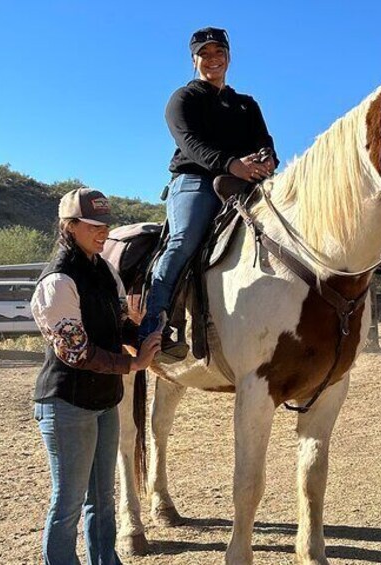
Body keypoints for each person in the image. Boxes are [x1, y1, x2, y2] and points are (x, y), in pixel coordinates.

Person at [31, 188, 162, 564]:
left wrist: (145, 339)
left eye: (105, 224)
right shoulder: (58, 280)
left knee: (103, 499)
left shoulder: (104, 270)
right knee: (68, 503)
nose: (103, 232)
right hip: (66, 404)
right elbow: (75, 351)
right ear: (69, 227)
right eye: (92, 225)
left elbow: (119, 323)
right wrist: (131, 365)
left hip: (104, 401)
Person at [137, 26, 279, 362]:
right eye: (205, 54)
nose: (212, 60)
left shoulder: (246, 104)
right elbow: (191, 145)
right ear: (194, 60)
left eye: (219, 53)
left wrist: (268, 157)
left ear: (228, 57)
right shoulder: (183, 99)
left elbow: (264, 139)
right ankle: (155, 325)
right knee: (184, 239)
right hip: (195, 181)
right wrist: (231, 164)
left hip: (244, 182)